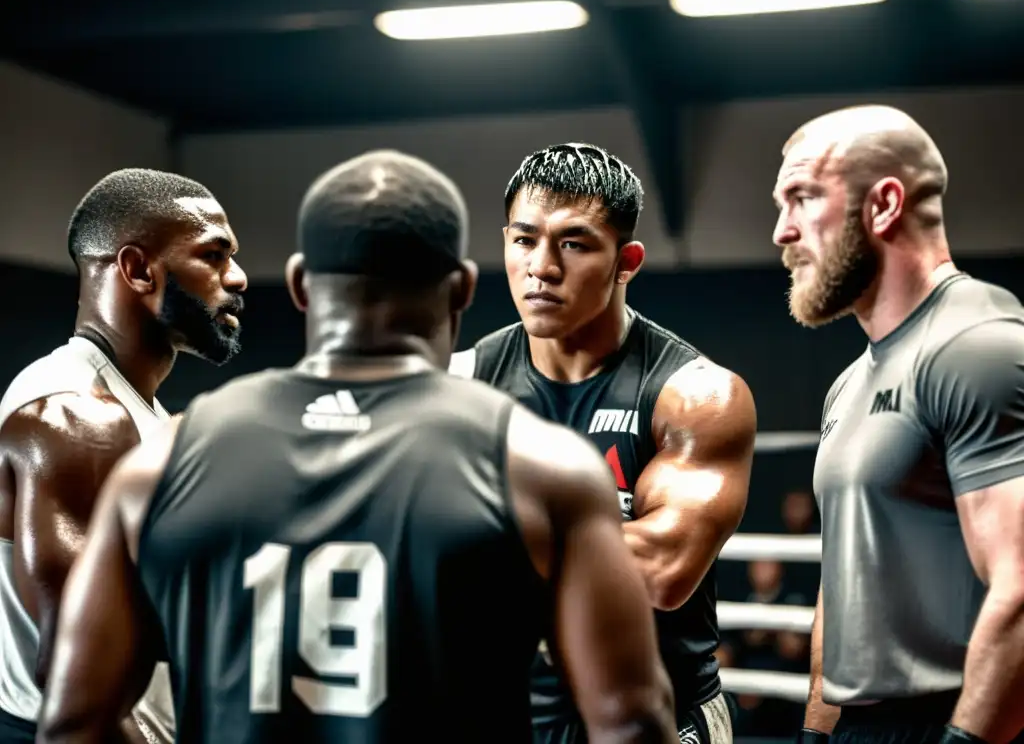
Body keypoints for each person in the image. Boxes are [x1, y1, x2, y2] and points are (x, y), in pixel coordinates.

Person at [36, 149, 678, 744]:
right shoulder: (543, 468)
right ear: (461, 287)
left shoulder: (161, 461)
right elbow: (629, 725)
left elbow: (70, 723)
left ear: (298, 285)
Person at [450, 142, 757, 744]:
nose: (541, 266)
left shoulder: (695, 395)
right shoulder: (461, 382)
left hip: (662, 714)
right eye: (523, 240)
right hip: (510, 713)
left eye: (573, 242)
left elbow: (664, 570)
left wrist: (471, 546)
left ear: (627, 260)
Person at [772, 105, 1024, 744]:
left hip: (958, 723)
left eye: (802, 198)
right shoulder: (850, 383)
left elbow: (1021, 590)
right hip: (862, 727)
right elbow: (844, 586)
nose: (782, 231)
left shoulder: (977, 344)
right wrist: (819, 731)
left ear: (884, 204)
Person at [0, 168, 247, 744]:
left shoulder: (139, 415)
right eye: (213, 256)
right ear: (137, 269)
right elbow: (78, 682)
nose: (236, 278)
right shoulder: (75, 416)